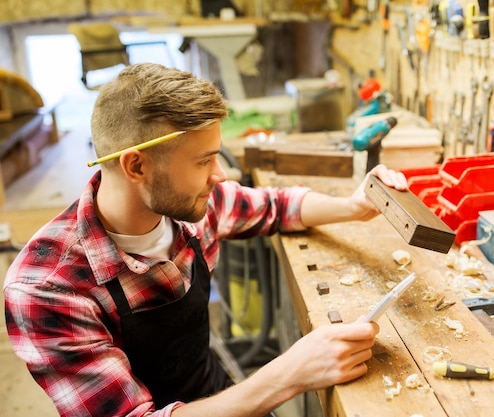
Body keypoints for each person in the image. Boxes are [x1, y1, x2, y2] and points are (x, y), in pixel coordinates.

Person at [4, 63, 409, 417]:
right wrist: (289, 375)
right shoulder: (46, 288)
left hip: (216, 395)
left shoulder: (191, 208)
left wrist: (354, 206)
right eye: (203, 161)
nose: (222, 175)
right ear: (137, 165)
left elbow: (275, 205)